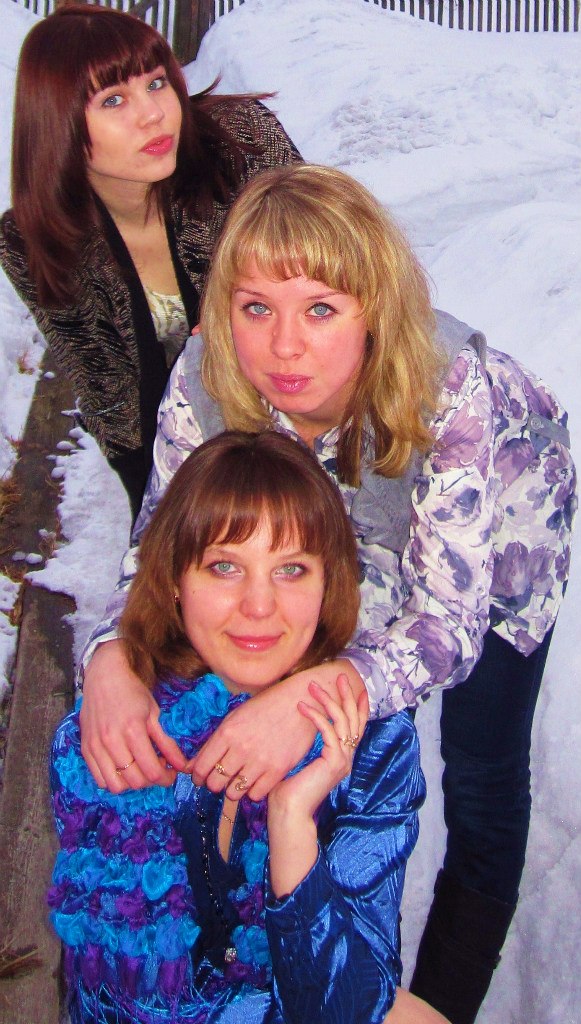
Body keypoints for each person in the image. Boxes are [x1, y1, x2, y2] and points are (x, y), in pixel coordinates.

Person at [79, 165, 576, 1024]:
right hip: (338, 524)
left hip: (497, 535)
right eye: (255, 308)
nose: (282, 348)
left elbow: (446, 626)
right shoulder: (205, 377)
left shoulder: (451, 389)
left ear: (373, 308)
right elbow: (160, 552)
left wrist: (313, 695)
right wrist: (110, 656)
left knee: (482, 766)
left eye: (319, 309)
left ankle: (437, 1002)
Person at [49, 429, 448, 1024]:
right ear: (173, 580)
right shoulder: (115, 734)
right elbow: (103, 999)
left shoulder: (372, 750)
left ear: (328, 584)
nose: (258, 606)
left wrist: (292, 822)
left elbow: (352, 1004)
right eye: (224, 567)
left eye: (291, 570)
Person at [0, 4, 299, 522]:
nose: (153, 114)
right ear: (58, 122)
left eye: (157, 83)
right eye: (113, 99)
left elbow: (337, 269)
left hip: (310, 410)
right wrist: (161, 518)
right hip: (191, 449)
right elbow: (111, 396)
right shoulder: (31, 240)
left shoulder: (242, 144)